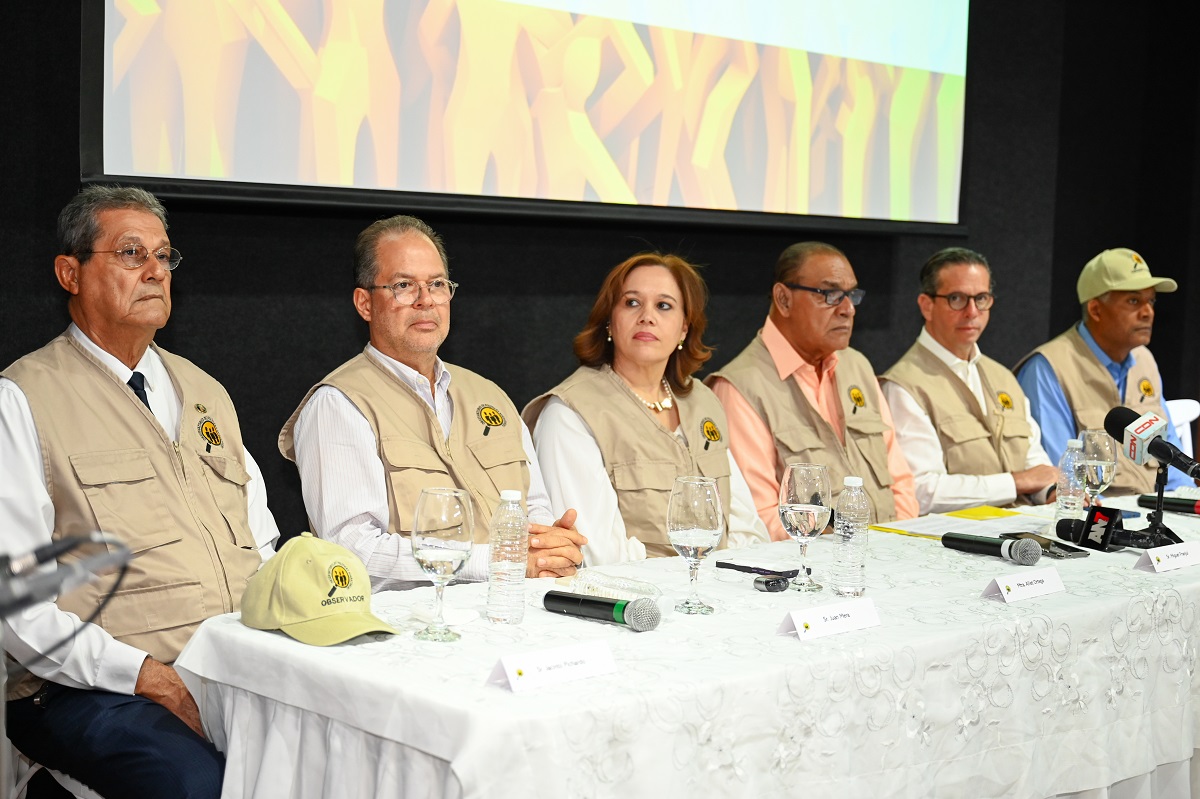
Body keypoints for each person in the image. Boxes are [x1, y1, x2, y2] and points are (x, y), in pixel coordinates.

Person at [1, 185, 280, 799]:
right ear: (70, 273)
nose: (155, 270)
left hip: (226, 665)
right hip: (89, 685)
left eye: (164, 254)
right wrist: (146, 677)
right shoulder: (22, 399)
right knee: (196, 784)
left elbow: (262, 544)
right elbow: (18, 604)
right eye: (131, 253)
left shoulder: (206, 393)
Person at [279, 215, 585, 591]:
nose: (425, 300)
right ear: (365, 304)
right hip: (408, 620)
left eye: (437, 284)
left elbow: (535, 509)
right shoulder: (339, 404)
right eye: (404, 285)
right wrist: (497, 562)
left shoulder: (490, 395)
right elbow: (352, 548)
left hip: (511, 606)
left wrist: (549, 549)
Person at [523, 253, 769, 564]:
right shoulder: (568, 413)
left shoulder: (703, 400)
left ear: (684, 328)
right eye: (632, 303)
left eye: (664, 305)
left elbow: (747, 529)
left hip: (719, 585)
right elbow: (596, 555)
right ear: (609, 321)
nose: (647, 316)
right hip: (636, 592)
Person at [706, 242, 918, 540]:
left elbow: (901, 482)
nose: (848, 309)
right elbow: (762, 518)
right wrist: (854, 553)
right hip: (813, 564)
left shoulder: (857, 366)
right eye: (829, 294)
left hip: (891, 553)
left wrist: (900, 542)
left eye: (852, 295)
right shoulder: (740, 387)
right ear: (784, 299)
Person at [880, 248, 1058, 514]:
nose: (972, 311)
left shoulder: (1003, 377)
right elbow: (921, 490)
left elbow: (1035, 464)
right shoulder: (904, 385)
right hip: (953, 534)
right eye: (957, 299)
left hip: (1023, 527)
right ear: (926, 305)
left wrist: (1053, 493)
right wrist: (1015, 483)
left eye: (981, 298)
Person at [1015, 247, 1187, 494]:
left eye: (1151, 301)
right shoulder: (1048, 369)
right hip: (1098, 514)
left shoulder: (1144, 360)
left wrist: (1188, 503)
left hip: (1154, 508)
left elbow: (1173, 463)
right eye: (1134, 301)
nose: (1148, 312)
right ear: (1095, 310)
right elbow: (1063, 479)